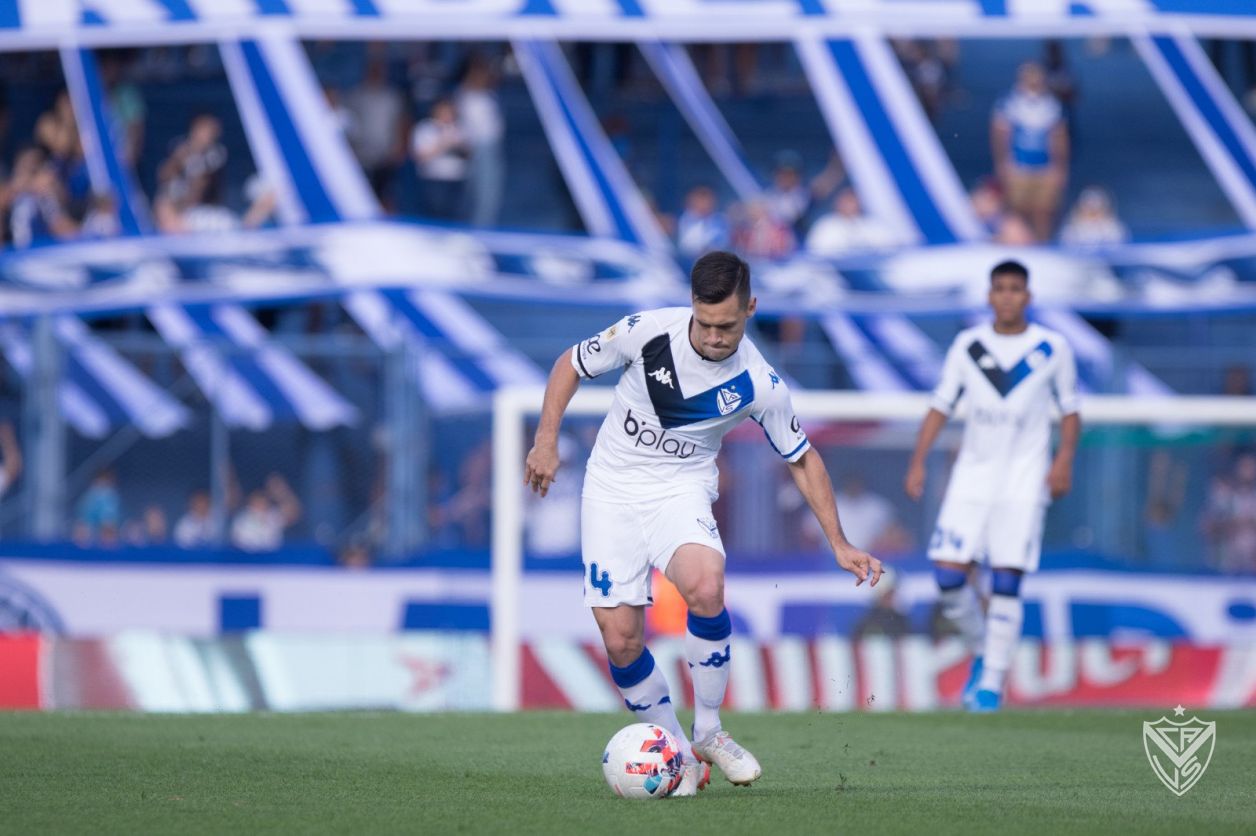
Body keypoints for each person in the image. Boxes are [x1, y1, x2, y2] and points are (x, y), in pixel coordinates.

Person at [525, 251, 881, 796]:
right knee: (620, 640)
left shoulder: (760, 383)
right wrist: (546, 439)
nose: (715, 337)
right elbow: (569, 364)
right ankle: (677, 752)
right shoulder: (646, 331)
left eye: (728, 326)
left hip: (681, 489)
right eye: (706, 323)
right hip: (611, 490)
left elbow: (801, 457)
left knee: (706, 586)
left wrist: (839, 542)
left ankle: (710, 730)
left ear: (751, 308)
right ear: (692, 304)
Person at [904, 259, 1079, 712]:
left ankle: (991, 684)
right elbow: (941, 404)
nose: (1007, 296)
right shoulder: (969, 345)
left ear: (1028, 296)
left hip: (1024, 480)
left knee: (1006, 578)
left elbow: (1071, 410)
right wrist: (919, 460)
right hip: (972, 477)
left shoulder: (1052, 347)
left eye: (1015, 289)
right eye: (1000, 288)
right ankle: (984, 649)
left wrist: (1063, 460)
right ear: (988, 296)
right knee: (947, 576)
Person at [991, 62, 1069, 243]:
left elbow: (1059, 137)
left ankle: (1042, 245)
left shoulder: (1051, 105)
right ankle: (1018, 244)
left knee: (1044, 211)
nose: (1033, 81)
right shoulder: (1009, 103)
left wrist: (1060, 167)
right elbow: (1000, 135)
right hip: (1018, 166)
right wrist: (1002, 163)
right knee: (1017, 210)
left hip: (1044, 167)